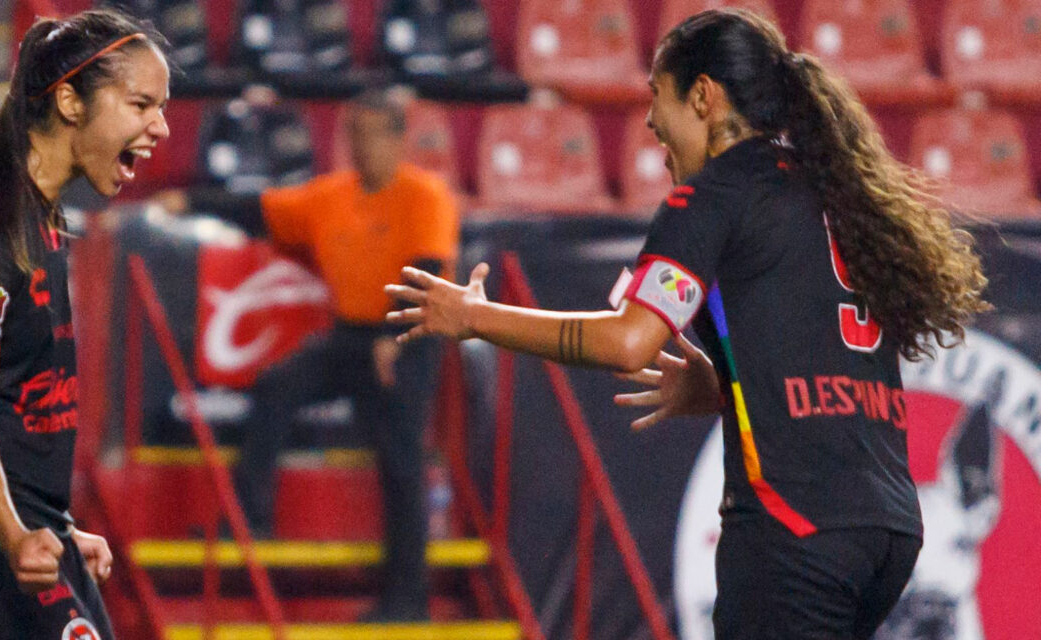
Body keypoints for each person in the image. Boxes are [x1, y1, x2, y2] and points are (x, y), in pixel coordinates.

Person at [386, 9, 989, 639]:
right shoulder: (835, 192)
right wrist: (727, 384)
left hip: (795, 527)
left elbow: (628, 341)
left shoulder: (711, 199)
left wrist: (477, 317)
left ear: (703, 97)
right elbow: (814, 353)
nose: (648, 120)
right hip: (887, 530)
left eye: (657, 96)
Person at [0, 10, 170, 638]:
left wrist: (61, 528)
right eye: (140, 104)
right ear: (70, 101)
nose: (160, 126)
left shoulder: (35, 216)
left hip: (25, 530)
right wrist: (16, 534)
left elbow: (13, 408)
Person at [163, 89, 458, 621]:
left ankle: (408, 598)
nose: (362, 147)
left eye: (372, 135)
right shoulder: (330, 196)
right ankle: (250, 517)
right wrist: (187, 201)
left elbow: (430, 270)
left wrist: (396, 338)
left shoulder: (425, 195)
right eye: (354, 136)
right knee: (278, 383)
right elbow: (259, 209)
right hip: (350, 334)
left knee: (402, 459)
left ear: (398, 139)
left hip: (411, 333)